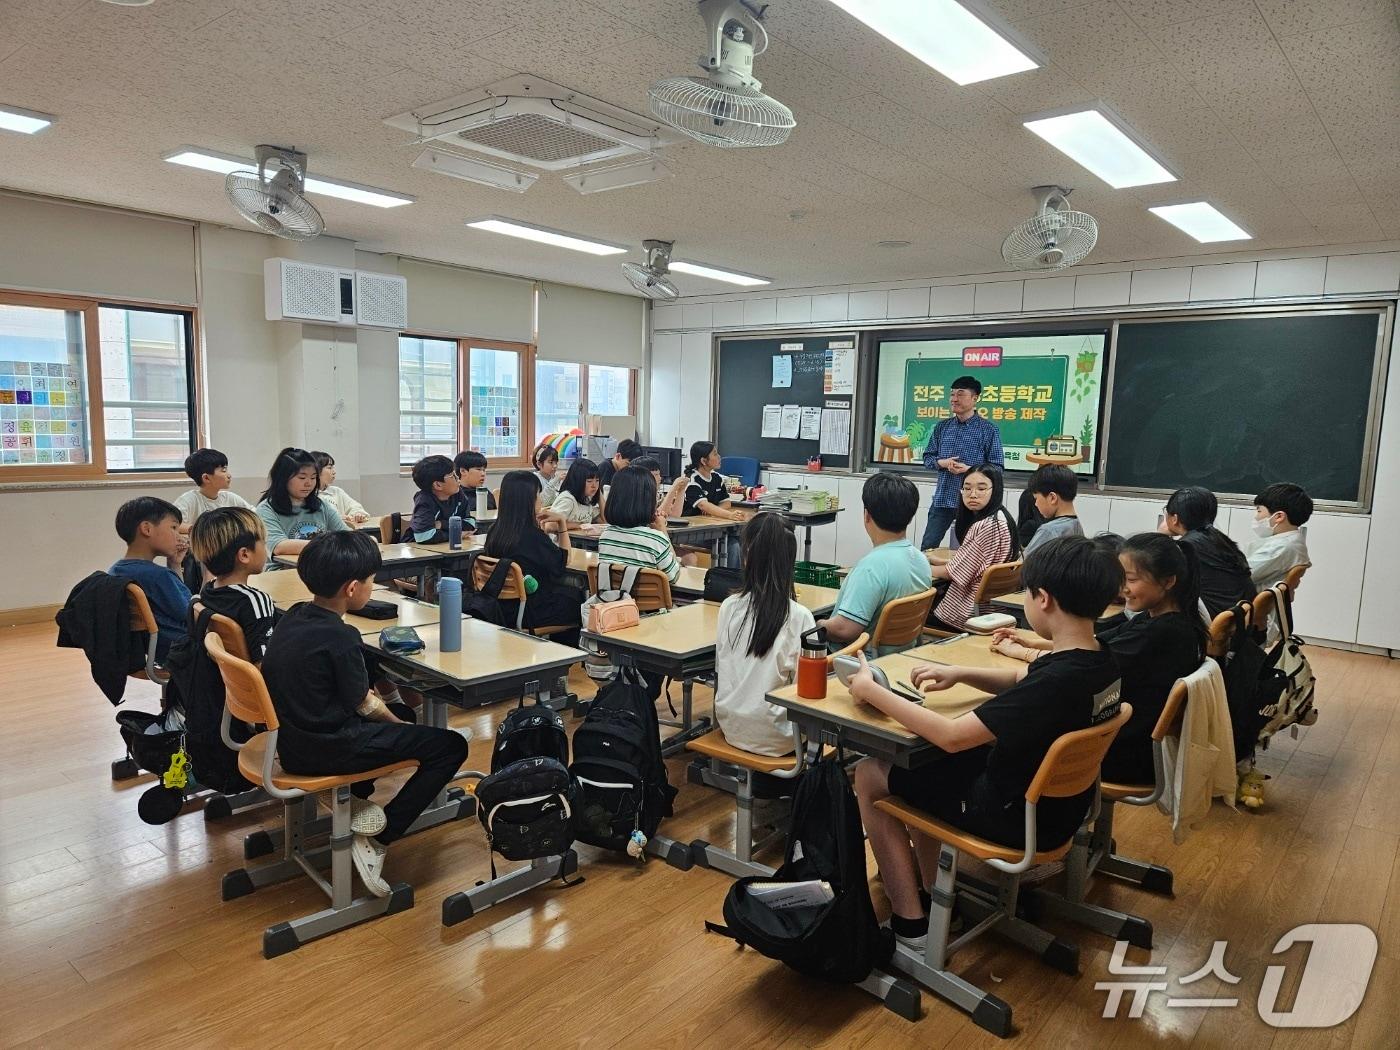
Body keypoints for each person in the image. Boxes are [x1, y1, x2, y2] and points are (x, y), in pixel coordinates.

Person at [850, 536, 1123, 950]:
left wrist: (873, 692)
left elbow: (953, 736)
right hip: (1060, 809)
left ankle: (911, 926)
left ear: (1043, 599)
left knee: (871, 773)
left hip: (1011, 816)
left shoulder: (1055, 682)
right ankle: (934, 895)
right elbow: (1022, 679)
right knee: (922, 770)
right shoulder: (1100, 659)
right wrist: (961, 673)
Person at [259, 532, 469, 897]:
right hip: (328, 749)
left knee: (401, 710)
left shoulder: (294, 616)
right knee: (448, 746)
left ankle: (354, 803)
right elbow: (365, 704)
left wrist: (397, 718)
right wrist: (399, 725)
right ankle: (379, 838)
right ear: (353, 588)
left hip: (291, 741)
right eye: (373, 581)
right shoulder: (341, 636)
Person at [992, 532, 1204, 784]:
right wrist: (1031, 640)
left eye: (1132, 580)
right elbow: (1094, 642)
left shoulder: (1162, 634)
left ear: (1168, 581)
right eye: (1121, 578)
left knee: (1010, 732)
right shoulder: (1159, 619)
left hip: (1117, 752)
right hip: (1121, 735)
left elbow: (1080, 662)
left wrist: (1020, 652)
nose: (1123, 588)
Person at [714, 514, 817, 757]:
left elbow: (722, 670)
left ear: (746, 557)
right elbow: (809, 691)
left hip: (731, 726)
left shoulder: (729, 606)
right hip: (781, 737)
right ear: (790, 561)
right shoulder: (800, 617)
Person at [819, 472, 931, 655]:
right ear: (910, 518)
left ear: (867, 515)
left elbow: (845, 630)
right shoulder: (920, 560)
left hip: (858, 662)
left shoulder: (871, 568)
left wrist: (816, 623)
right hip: (901, 656)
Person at [485, 470, 584, 648]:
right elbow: (563, 561)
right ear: (528, 501)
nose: (541, 500)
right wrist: (561, 523)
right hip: (528, 611)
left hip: (499, 607)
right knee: (579, 600)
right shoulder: (532, 536)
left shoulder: (495, 530)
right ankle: (561, 660)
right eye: (538, 495)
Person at [926, 465, 1019, 630]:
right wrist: (935, 561)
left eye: (981, 488)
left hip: (968, 614)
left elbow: (952, 573)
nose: (973, 494)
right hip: (992, 610)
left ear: (995, 490)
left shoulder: (986, 525)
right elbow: (971, 564)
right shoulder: (1001, 518)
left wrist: (920, 567)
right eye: (967, 488)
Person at [919, 376, 1004, 550]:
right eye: (952, 394)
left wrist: (970, 470)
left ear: (975, 398)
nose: (954, 399)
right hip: (943, 499)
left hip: (974, 502)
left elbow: (997, 467)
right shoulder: (942, 427)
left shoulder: (988, 430)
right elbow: (928, 459)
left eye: (960, 394)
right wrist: (943, 463)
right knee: (927, 547)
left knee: (971, 551)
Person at [189, 507, 278, 662]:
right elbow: (263, 665)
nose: (266, 549)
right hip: (255, 684)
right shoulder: (255, 601)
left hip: (223, 680)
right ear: (244, 555)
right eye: (263, 543)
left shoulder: (208, 590)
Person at [110, 496, 191, 659]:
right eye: (173, 528)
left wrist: (175, 564)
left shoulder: (115, 570)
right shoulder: (158, 576)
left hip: (147, 650)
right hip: (181, 651)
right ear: (147, 529)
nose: (178, 535)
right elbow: (191, 612)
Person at [1160, 486, 1252, 618]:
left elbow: (1157, 584)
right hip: (1239, 620)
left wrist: (1158, 536)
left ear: (1174, 518)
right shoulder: (1218, 538)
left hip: (1216, 625)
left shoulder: (1186, 547)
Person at [255, 447, 348, 564]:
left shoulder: (321, 505)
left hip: (320, 569)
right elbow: (279, 546)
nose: (309, 483)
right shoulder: (266, 509)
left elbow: (346, 534)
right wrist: (328, 544)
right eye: (302, 477)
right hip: (282, 572)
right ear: (283, 478)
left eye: (313, 477)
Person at [595, 464, 681, 584]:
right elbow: (674, 577)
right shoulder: (656, 540)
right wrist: (662, 530)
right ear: (648, 500)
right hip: (648, 602)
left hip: (614, 601)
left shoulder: (606, 536)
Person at [1247, 482, 1313, 591]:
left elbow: (1239, 576)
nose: (1256, 517)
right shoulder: (1291, 541)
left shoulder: (1282, 547)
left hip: (1245, 603)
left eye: (1259, 511)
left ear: (1278, 517)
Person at [174, 447, 252, 532]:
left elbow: (254, 513)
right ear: (206, 478)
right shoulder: (189, 500)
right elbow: (173, 524)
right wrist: (203, 530)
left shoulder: (230, 498)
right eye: (223, 470)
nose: (229, 475)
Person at [405, 454, 474, 544]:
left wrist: (441, 524)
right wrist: (455, 534)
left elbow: (470, 524)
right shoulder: (424, 501)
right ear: (438, 485)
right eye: (452, 476)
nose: (458, 478)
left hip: (446, 548)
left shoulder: (458, 494)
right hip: (421, 552)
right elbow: (424, 536)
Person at [1022, 464, 1083, 554]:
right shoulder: (1077, 526)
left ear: (1052, 498)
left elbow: (1022, 566)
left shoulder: (1049, 531)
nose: (1035, 504)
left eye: (1036, 498)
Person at [683, 441, 744, 521]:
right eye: (715, 454)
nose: (719, 457)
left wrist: (713, 511)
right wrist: (730, 515)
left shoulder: (717, 478)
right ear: (703, 461)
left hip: (709, 521)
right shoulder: (692, 480)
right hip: (691, 523)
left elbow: (726, 502)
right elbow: (703, 505)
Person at [312, 451, 370, 526]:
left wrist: (357, 514)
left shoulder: (336, 491)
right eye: (329, 468)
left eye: (333, 467)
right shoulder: (308, 494)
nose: (334, 472)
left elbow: (355, 507)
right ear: (316, 470)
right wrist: (336, 519)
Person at [551, 457, 603, 529]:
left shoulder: (586, 498)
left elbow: (604, 521)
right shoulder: (567, 500)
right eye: (589, 481)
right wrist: (579, 525)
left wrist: (599, 493)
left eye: (597, 480)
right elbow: (550, 526)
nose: (594, 485)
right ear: (577, 481)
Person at [453, 451, 496, 517]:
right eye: (478, 469)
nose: (483, 474)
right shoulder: (454, 495)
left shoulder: (486, 494)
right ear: (463, 471)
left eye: (484, 470)